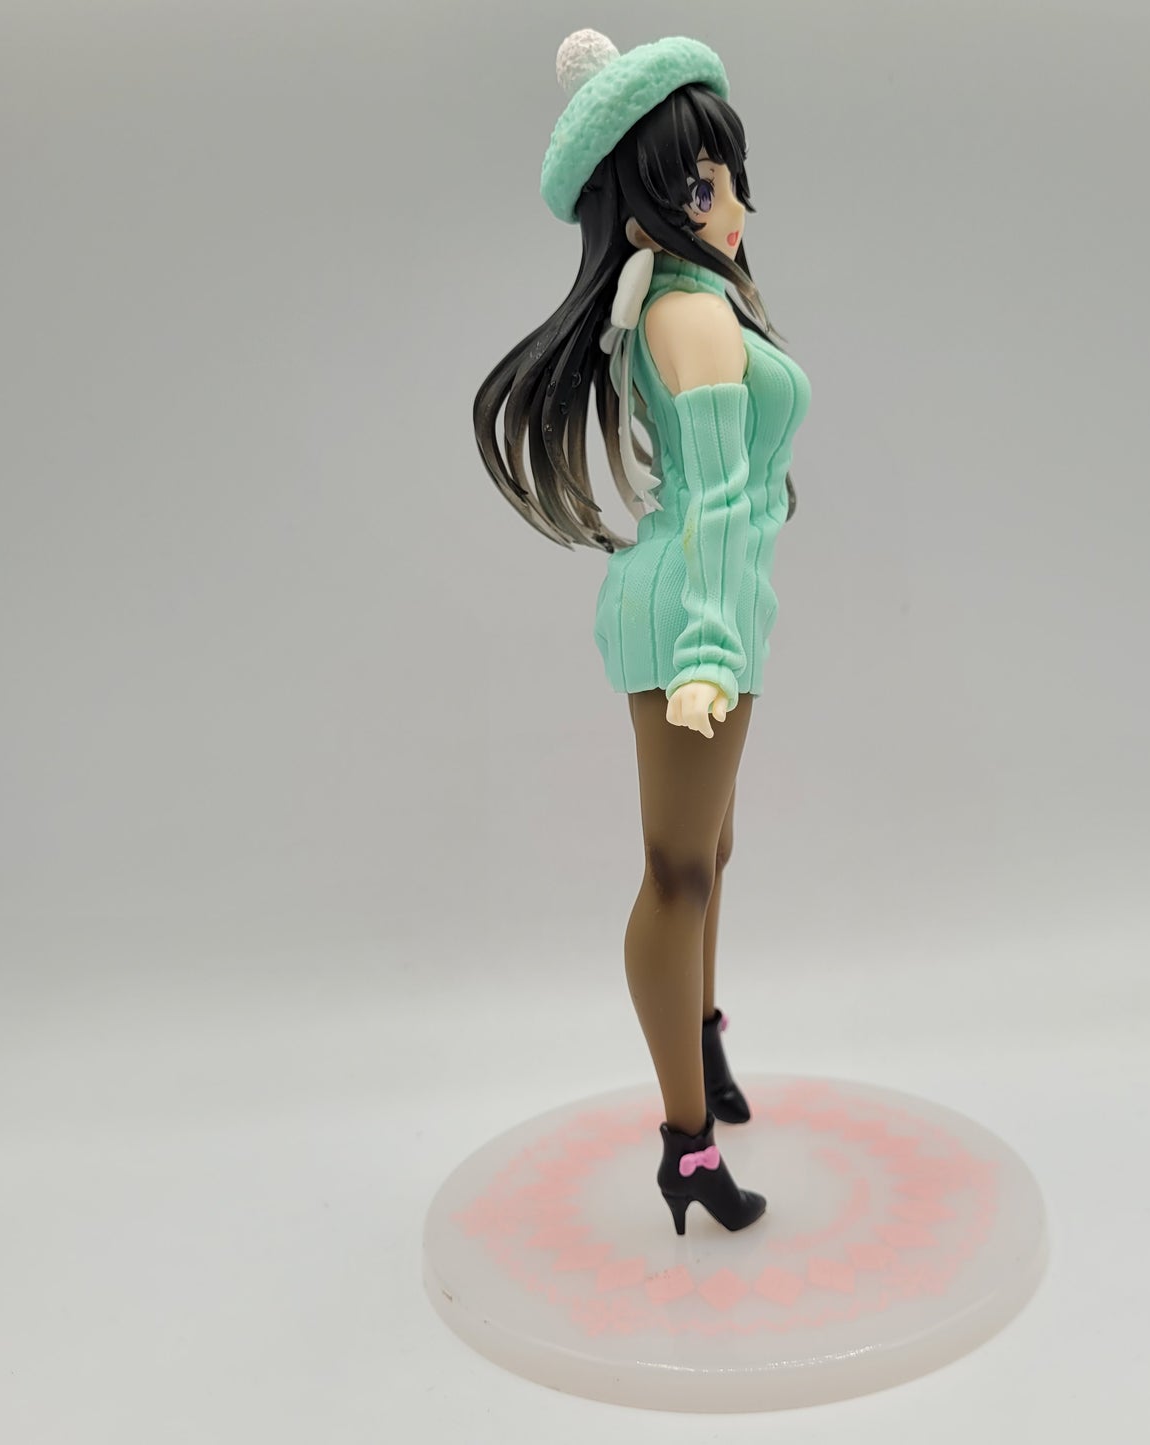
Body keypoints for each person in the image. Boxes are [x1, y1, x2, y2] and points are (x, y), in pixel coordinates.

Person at [471, 30, 812, 1234]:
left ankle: (701, 1042)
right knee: (677, 870)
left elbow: (737, 490)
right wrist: (710, 652)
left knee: (709, 852)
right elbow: (713, 497)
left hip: (714, 602)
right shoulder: (687, 316)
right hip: (690, 613)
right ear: (641, 208)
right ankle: (686, 1145)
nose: (727, 204)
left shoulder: (691, 300)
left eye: (726, 177)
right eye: (696, 186)